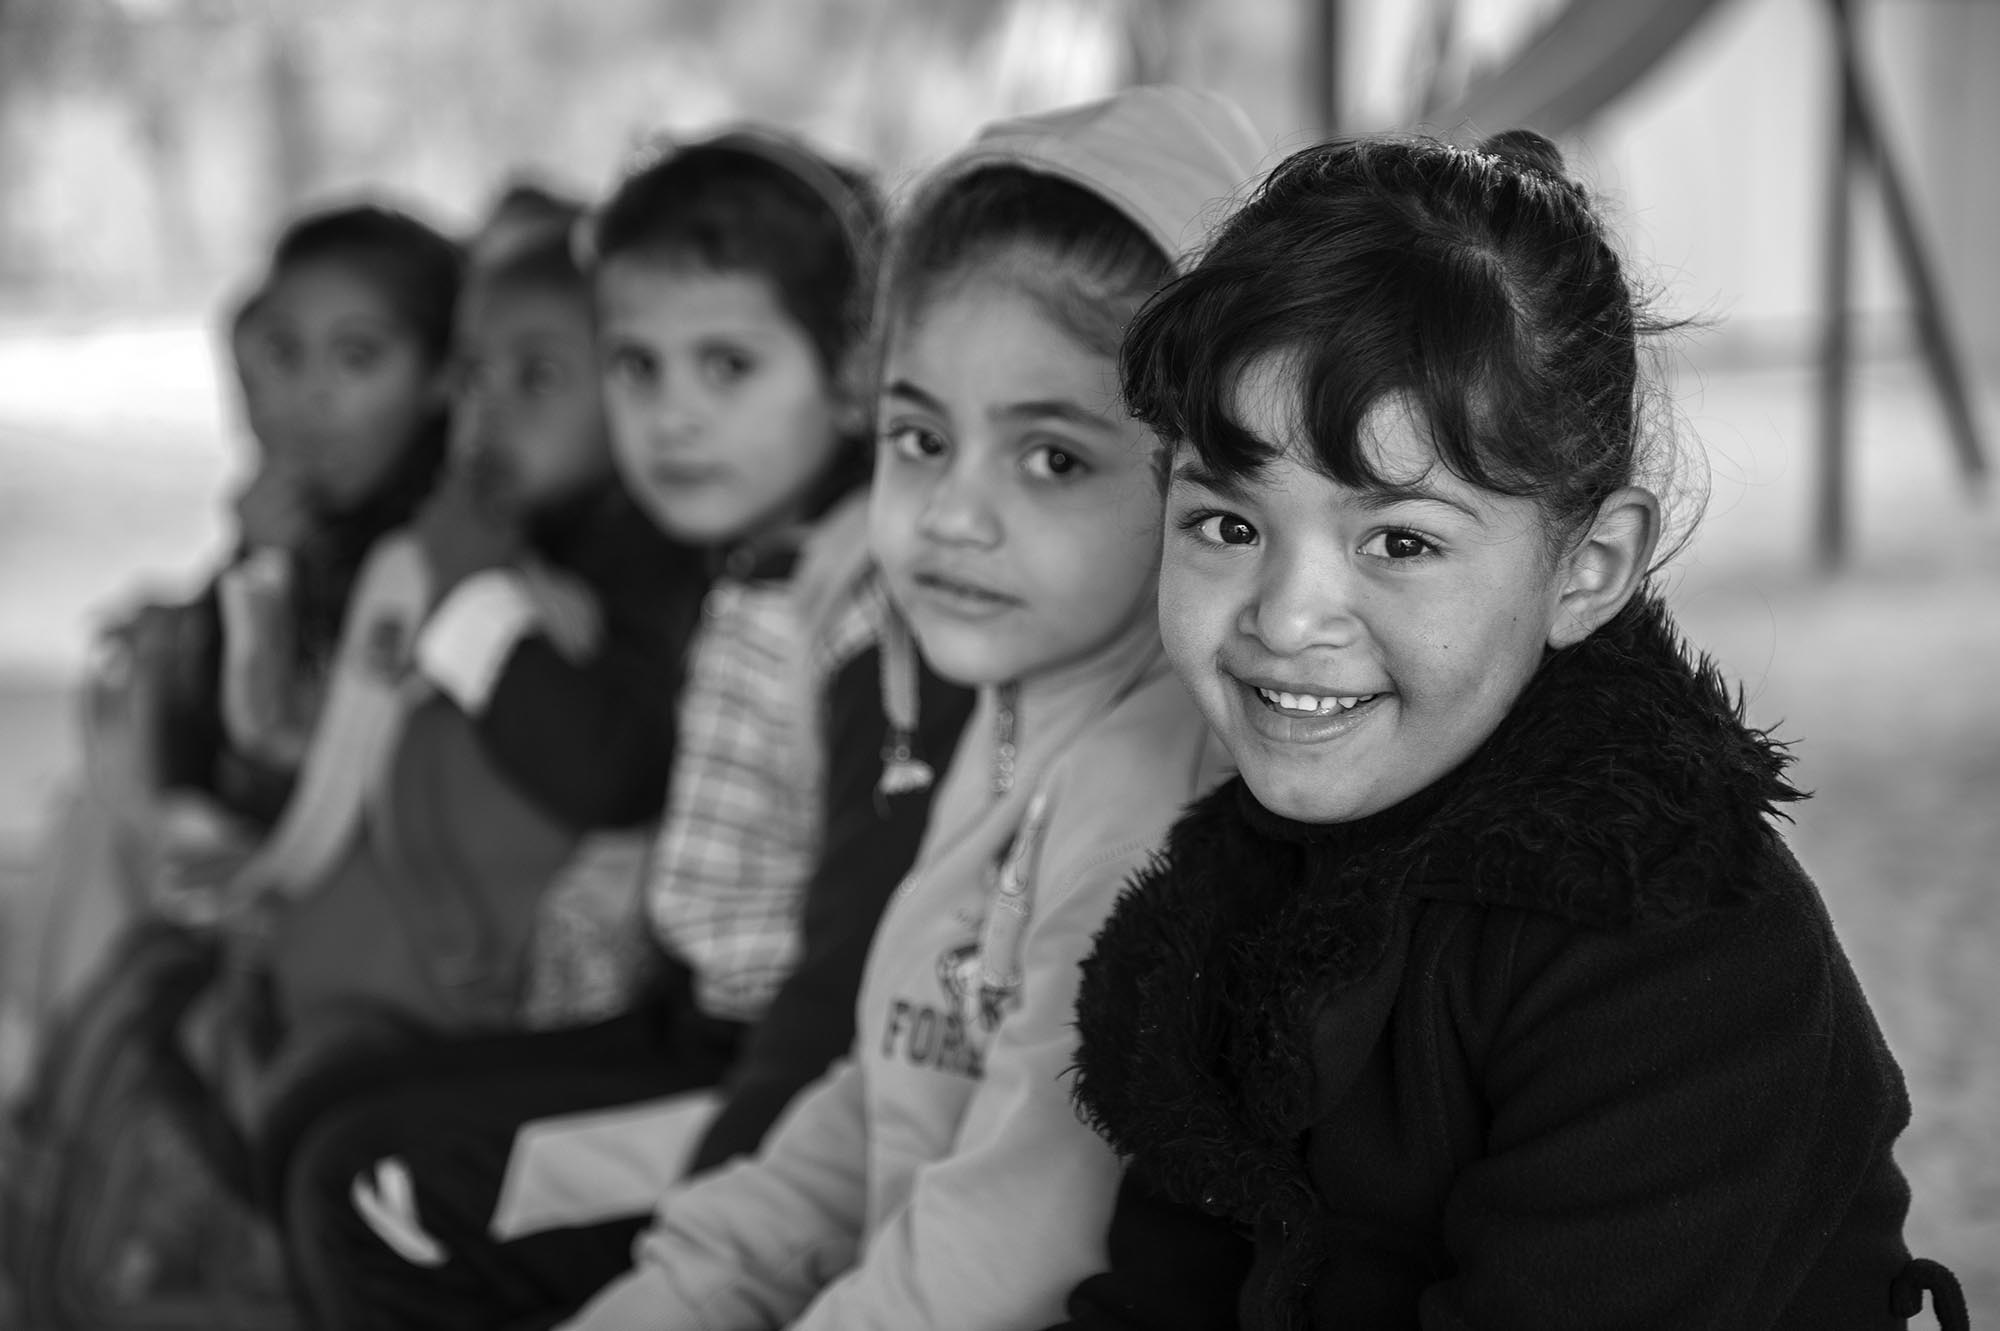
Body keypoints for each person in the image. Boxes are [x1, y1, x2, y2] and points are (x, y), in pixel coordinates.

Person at [1056, 131, 1967, 1331]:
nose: (1282, 617)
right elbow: (1155, 1295)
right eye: (1226, 524)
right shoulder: (1231, 882)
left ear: (1585, 568)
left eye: (1400, 541)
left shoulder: (1680, 954)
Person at [546, 85, 1263, 1331]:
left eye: (1051, 457)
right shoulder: (1017, 711)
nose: (950, 516)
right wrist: (679, 1287)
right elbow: (888, 1081)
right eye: (920, 438)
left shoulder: (1148, 795)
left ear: (1212, 479)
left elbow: (1009, 1248)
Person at [279, 127, 972, 1331]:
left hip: (789, 1088)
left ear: (853, 374)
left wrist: (744, 1193)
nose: (673, 418)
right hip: (688, 1028)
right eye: (637, 368)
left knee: (375, 1179)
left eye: (726, 366)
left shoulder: (871, 612)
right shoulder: (741, 560)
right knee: (322, 1104)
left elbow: (852, 973)